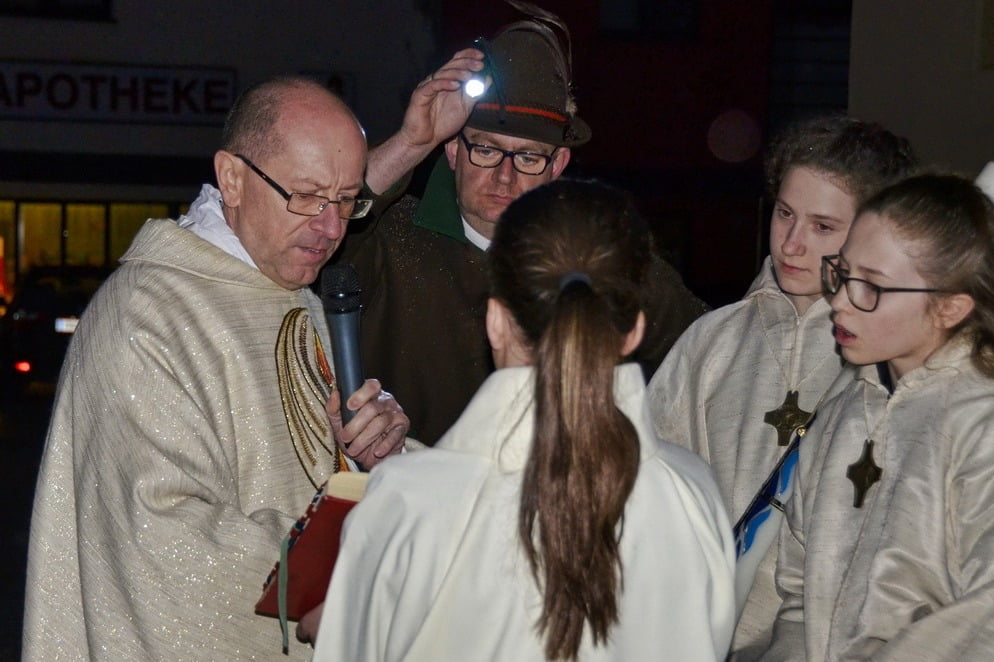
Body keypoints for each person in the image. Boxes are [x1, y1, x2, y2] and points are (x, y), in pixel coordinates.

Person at [22, 77, 410, 661]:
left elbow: (313, 475)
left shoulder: (298, 297)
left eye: (346, 201)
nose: (332, 228)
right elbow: (160, 536)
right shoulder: (147, 313)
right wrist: (347, 572)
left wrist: (378, 458)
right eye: (307, 196)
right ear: (232, 178)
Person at [305, 179, 736, 661]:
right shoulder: (693, 493)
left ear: (495, 320)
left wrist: (340, 621)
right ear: (634, 329)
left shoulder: (409, 501)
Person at [333, 3, 709, 444]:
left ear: (558, 165)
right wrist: (413, 142)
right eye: (486, 150)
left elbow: (711, 353)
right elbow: (328, 219)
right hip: (406, 483)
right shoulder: (385, 237)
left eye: (528, 157)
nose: (504, 176)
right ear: (452, 151)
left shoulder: (600, 258)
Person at [646, 114, 916, 658]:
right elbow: (651, 492)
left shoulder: (893, 360)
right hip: (696, 636)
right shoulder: (712, 341)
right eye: (785, 214)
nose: (792, 244)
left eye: (823, 227)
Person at [762, 173, 994, 660]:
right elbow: (798, 595)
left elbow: (986, 618)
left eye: (871, 286)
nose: (839, 300)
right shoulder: (839, 416)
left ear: (950, 307)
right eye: (842, 272)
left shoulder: (985, 428)